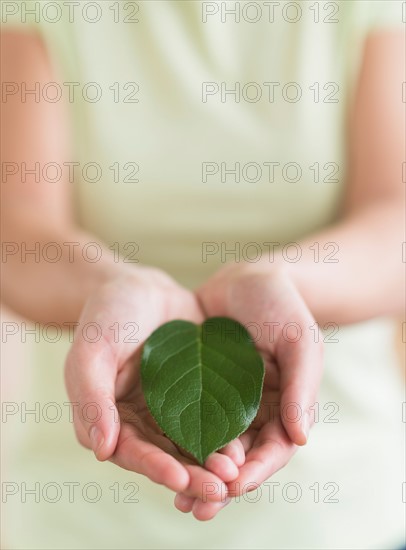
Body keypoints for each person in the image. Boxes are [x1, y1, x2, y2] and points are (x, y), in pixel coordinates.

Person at [1, 1, 405, 548]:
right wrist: (107, 288)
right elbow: (15, 228)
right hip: (82, 517)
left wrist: (288, 285)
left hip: (340, 509)